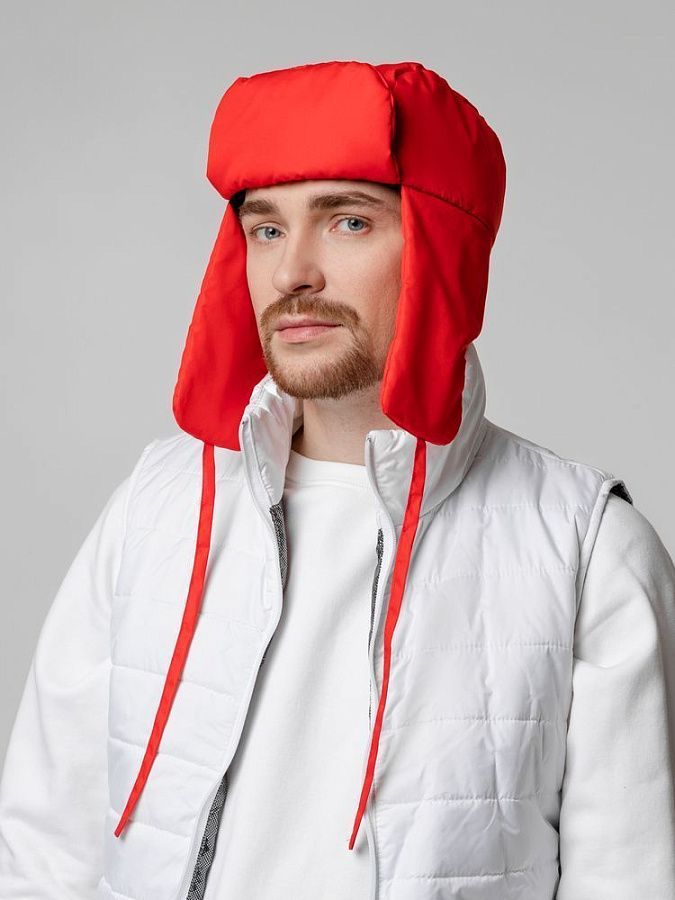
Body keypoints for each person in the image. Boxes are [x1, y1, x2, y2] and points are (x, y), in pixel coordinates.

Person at [0, 59, 673, 900]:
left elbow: (633, 877)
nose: (291, 273)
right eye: (265, 228)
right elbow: (45, 854)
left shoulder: (587, 548)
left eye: (348, 222)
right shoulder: (156, 504)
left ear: (442, 248)